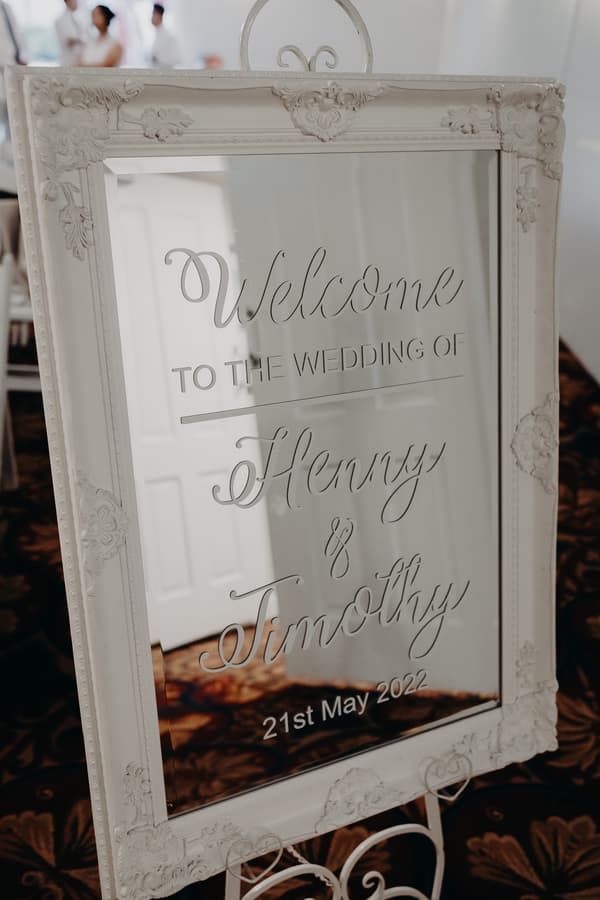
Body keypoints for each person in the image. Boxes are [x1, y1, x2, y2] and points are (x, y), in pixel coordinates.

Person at [55, 0, 86, 66]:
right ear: (67, 1)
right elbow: (68, 41)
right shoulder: (61, 20)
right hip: (68, 62)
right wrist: (83, 40)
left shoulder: (76, 19)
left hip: (78, 61)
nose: (77, 2)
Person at [149, 3, 181, 68]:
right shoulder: (156, 34)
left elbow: (177, 59)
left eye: (153, 14)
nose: (151, 17)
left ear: (159, 15)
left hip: (165, 73)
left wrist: (158, 60)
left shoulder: (169, 36)